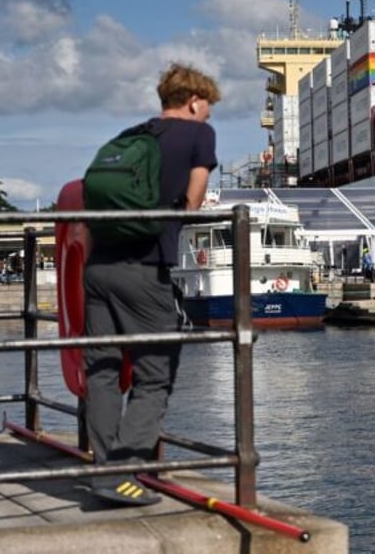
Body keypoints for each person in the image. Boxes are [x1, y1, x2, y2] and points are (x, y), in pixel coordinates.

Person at [83, 62, 220, 506]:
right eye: (208, 107)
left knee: (102, 371)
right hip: (145, 267)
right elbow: (194, 202)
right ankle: (121, 474)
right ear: (195, 101)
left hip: (98, 268)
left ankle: (105, 470)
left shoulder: (128, 136)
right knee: (155, 375)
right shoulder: (200, 136)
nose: (209, 116)